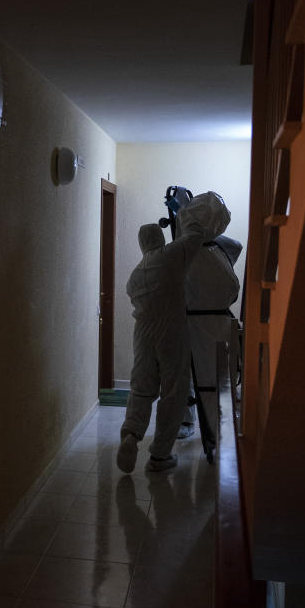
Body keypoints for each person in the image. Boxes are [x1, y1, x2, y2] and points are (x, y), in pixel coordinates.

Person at [116, 197, 218, 473]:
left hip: (143, 336)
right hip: (171, 333)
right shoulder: (171, 255)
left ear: (141, 244)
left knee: (141, 388)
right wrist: (185, 213)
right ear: (159, 238)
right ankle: (160, 455)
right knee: (174, 391)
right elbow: (196, 237)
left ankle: (131, 435)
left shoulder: (134, 277)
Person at [179, 198, 239, 462]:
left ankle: (219, 436)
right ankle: (215, 436)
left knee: (217, 385)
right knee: (207, 385)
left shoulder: (216, 249)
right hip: (204, 326)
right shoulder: (207, 252)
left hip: (211, 326)